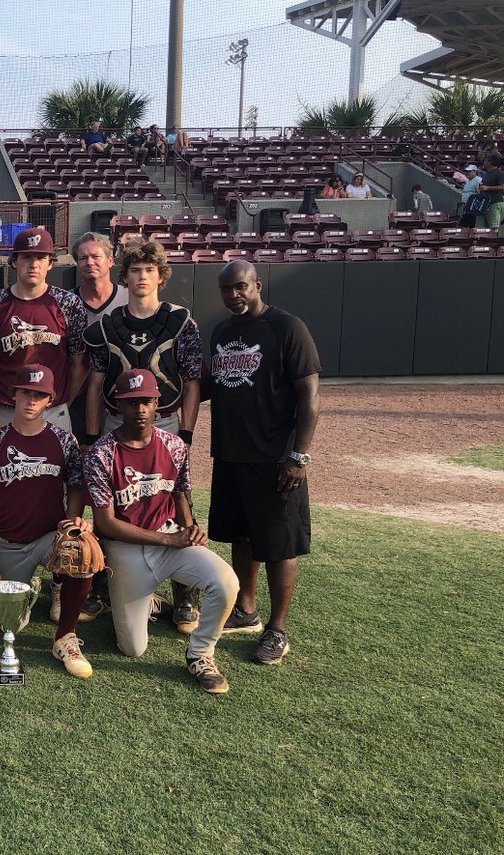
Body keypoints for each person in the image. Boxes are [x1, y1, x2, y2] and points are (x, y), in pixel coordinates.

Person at [84, 368, 239, 694]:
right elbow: (105, 524)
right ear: (118, 406)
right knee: (132, 648)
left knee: (226, 583)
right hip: (125, 549)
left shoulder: (174, 445)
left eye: (146, 401)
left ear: (158, 403)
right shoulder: (102, 453)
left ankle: (200, 654)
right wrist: (168, 539)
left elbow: (180, 495)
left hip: (169, 538)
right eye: (132, 402)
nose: (140, 409)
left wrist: (190, 529)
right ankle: (148, 602)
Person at [82, 239, 203, 629]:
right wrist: (91, 436)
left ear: (161, 276)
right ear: (125, 276)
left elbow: (193, 381)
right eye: (135, 270)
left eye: (150, 270)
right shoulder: (108, 325)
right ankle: (103, 586)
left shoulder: (181, 321)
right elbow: (96, 382)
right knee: (110, 503)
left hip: (165, 420)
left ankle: (185, 594)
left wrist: (186, 432)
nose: (142, 277)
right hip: (116, 422)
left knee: (177, 498)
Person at [208, 259, 321, 665]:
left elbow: (310, 397)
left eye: (240, 286)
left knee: (278, 544)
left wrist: (298, 456)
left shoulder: (287, 328)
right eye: (226, 289)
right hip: (231, 453)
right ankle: (246, 609)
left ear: (257, 284)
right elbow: (212, 385)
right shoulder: (222, 332)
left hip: (274, 459)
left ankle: (278, 628)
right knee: (241, 536)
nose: (233, 295)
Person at [0, 363, 94, 679]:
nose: (31, 400)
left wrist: (71, 527)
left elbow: (75, 489)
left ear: (49, 400)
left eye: (39, 395)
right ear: (14, 394)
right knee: (7, 623)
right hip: (7, 543)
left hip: (47, 538)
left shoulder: (64, 440)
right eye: (26, 392)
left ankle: (65, 636)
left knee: (81, 552)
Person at [0, 226, 88, 434]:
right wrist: (1, 395)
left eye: (41, 257)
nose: (34, 264)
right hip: (4, 408)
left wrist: (62, 399)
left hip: (52, 409)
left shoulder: (69, 303)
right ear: (14, 261)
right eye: (26, 257)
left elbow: (79, 363)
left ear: (50, 263)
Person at [67, 231, 126, 445]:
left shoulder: (130, 299)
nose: (89, 262)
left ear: (110, 260)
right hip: (76, 401)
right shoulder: (66, 303)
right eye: (83, 258)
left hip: (120, 402)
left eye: (95, 256)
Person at [477, 152, 504, 231]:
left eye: (485, 160)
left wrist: (487, 188)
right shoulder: (487, 174)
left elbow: (502, 187)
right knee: (481, 229)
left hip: (494, 203)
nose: (484, 162)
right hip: (484, 204)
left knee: (493, 228)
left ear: (490, 162)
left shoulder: (499, 173)